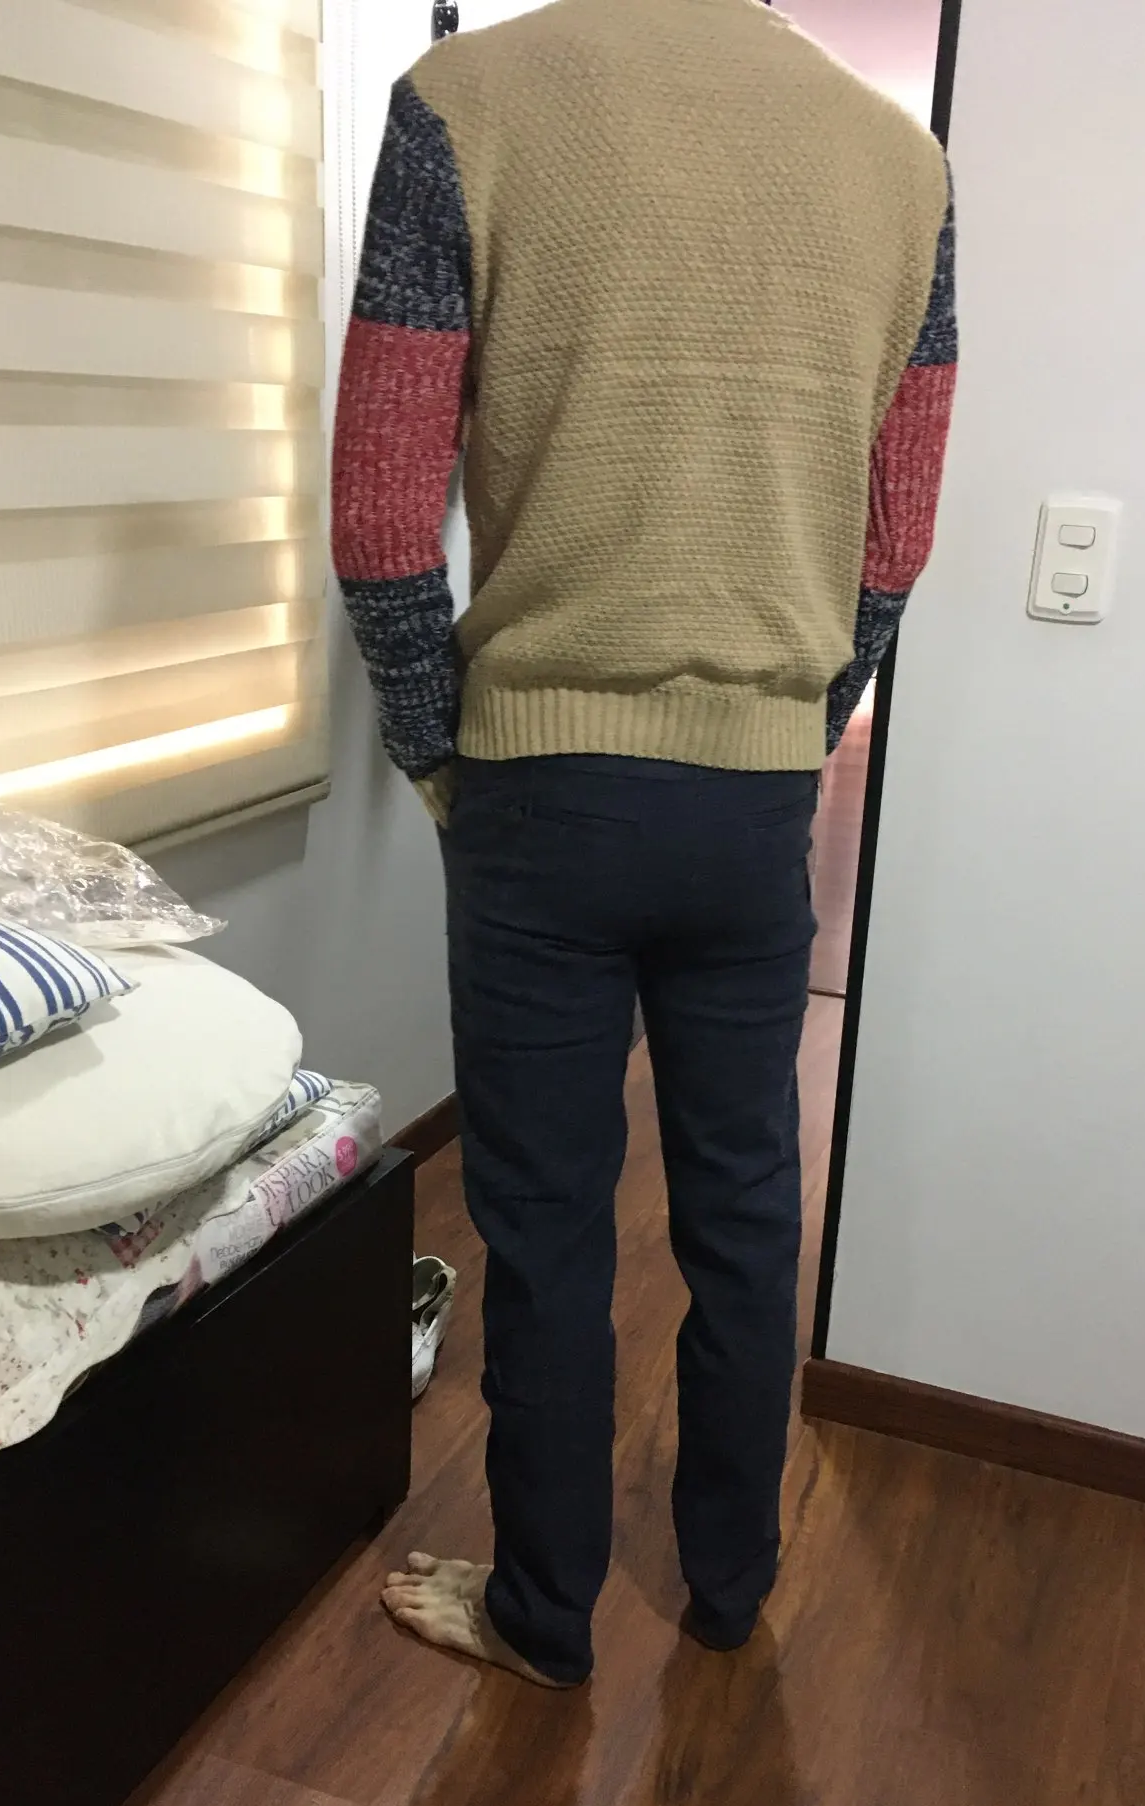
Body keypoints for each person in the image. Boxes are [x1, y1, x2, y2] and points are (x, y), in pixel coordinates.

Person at [332, 0, 957, 1689]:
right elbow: (897, 532)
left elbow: (383, 515)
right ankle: (731, 1584)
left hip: (538, 788)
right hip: (753, 800)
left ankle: (545, 1614)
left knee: (543, 1221)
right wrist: (802, 726)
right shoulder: (902, 166)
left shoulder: (462, 102)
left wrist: (441, 760)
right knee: (747, 1207)